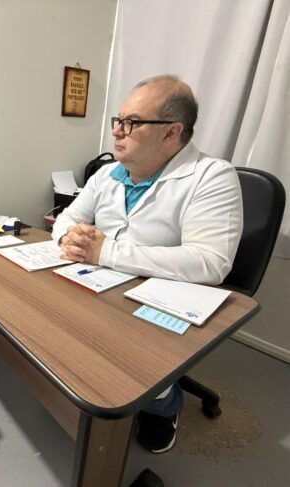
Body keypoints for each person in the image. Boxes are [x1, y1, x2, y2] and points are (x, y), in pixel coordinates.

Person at [52, 74, 243, 454]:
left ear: (171, 132)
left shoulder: (213, 177)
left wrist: (106, 252)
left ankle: (165, 404)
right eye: (118, 120)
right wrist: (67, 237)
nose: (117, 132)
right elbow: (67, 216)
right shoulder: (107, 174)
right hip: (103, 284)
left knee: (137, 366)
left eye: (132, 123)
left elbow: (212, 262)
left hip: (162, 299)